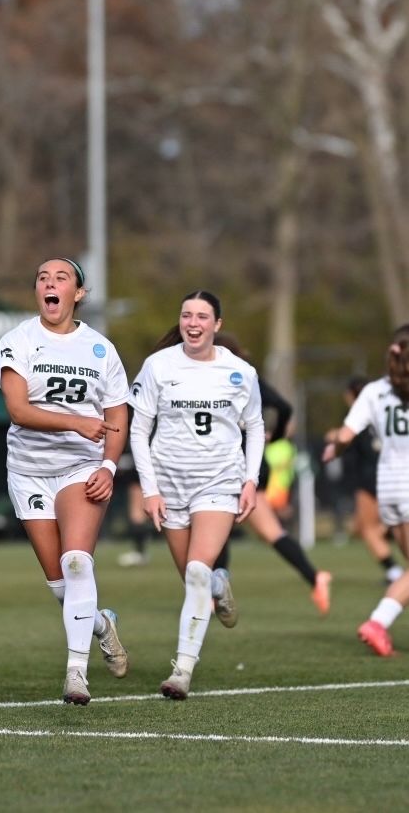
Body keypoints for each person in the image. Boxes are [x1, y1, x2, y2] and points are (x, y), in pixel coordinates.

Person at [0, 257, 129, 706]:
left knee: (77, 563)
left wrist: (108, 466)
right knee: (59, 584)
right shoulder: (18, 341)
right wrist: (75, 422)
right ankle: (100, 623)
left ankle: (76, 673)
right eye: (42, 278)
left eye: (61, 278)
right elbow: (18, 410)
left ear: (79, 293)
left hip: (80, 468)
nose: (50, 284)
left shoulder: (101, 349)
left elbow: (116, 415)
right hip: (29, 471)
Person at [129, 290, 264, 700]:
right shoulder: (158, 366)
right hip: (170, 483)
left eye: (202, 316)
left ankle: (182, 672)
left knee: (195, 572)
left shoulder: (241, 372)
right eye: (186, 314)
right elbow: (138, 429)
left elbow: (254, 426)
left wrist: (251, 480)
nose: (193, 322)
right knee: (194, 579)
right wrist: (149, 491)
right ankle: (219, 586)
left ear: (217, 325)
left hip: (219, 480)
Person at [213, 333, 332, 616]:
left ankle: (214, 594)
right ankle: (314, 578)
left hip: (235, 463)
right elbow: (284, 407)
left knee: (231, 526)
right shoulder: (244, 375)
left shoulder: (234, 375)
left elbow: (283, 407)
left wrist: (272, 437)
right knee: (239, 529)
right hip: (246, 462)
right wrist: (273, 436)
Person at [323, 326, 409, 656]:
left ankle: (379, 623)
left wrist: (334, 450)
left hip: (388, 488)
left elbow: (344, 436)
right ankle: (377, 623)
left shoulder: (374, 391)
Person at [324, 376, 403, 585]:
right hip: (392, 475)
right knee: (367, 526)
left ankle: (394, 572)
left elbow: (344, 435)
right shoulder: (388, 406)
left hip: (371, 476)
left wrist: (335, 442)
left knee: (367, 528)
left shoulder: (363, 410)